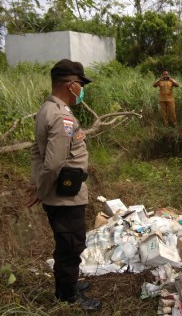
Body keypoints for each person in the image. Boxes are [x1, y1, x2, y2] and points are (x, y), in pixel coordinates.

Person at [26, 59, 101, 311]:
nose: (82, 89)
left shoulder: (48, 109)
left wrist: (38, 183)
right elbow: (53, 163)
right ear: (70, 85)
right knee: (71, 245)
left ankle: (68, 284)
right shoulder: (60, 117)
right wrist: (42, 190)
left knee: (68, 242)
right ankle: (68, 296)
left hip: (61, 191)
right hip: (64, 195)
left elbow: (38, 153)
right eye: (81, 84)